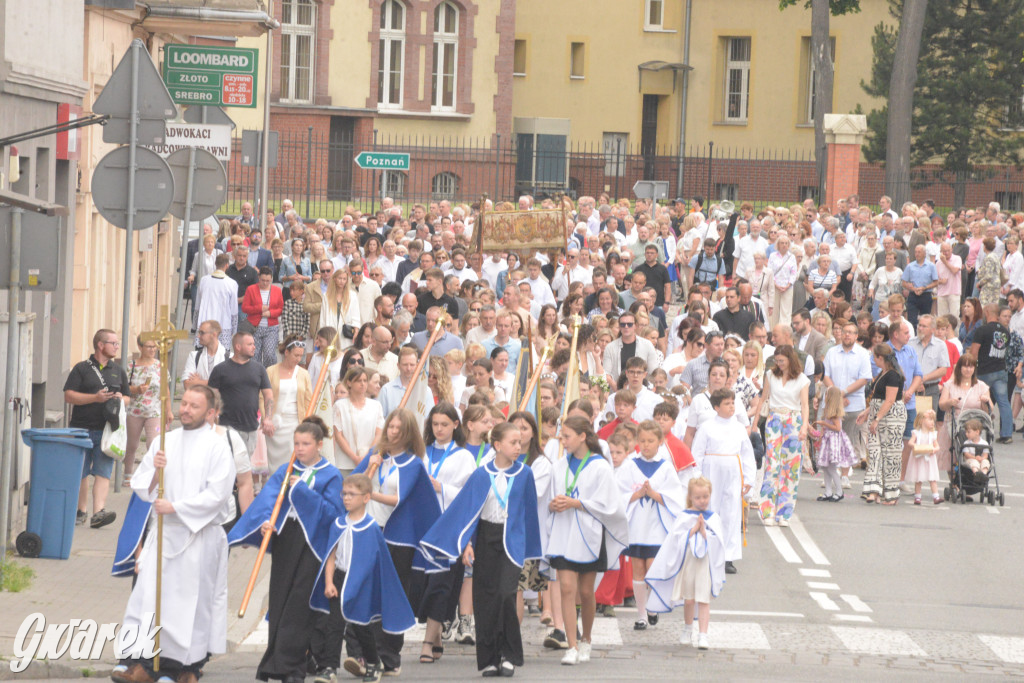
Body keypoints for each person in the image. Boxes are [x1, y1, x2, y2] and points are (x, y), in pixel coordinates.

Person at [109, 386, 236, 683]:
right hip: (163, 535)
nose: (187, 410)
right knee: (149, 599)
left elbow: (217, 495)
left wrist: (176, 507)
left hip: (197, 537)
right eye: (185, 403)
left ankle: (182, 668)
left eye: (195, 406)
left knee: (187, 606)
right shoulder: (167, 441)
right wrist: (156, 470)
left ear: (209, 412)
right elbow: (142, 485)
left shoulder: (217, 447)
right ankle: (145, 663)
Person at [419, 421, 543, 678]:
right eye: (513, 442)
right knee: (484, 598)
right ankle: (489, 658)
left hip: (512, 540)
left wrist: (531, 549)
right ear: (497, 445)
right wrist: (467, 544)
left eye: (520, 442)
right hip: (485, 538)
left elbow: (530, 512)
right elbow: (467, 512)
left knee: (506, 595)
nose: (518, 447)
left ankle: (509, 655)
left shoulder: (524, 474)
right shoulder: (480, 473)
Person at [228, 418, 344, 683]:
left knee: (299, 604)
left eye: (305, 444)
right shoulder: (285, 470)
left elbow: (332, 514)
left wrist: (302, 490)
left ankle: (292, 668)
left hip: (312, 543)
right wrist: (267, 521)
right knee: (280, 600)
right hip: (287, 538)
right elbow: (270, 502)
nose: (300, 449)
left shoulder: (331, 474)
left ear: (319, 445)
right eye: (296, 443)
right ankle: (274, 663)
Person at [350, 409, 442, 675]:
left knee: (391, 594)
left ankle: (389, 655)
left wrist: (370, 494)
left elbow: (398, 499)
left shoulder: (413, 463)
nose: (392, 432)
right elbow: (352, 487)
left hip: (397, 538)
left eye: (398, 428)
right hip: (368, 530)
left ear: (408, 433)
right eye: (390, 426)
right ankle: (360, 653)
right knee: (361, 588)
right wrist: (369, 467)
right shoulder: (375, 456)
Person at [309, 474, 415, 683]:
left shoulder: (371, 527)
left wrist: (357, 586)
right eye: (344, 494)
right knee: (334, 624)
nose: (346, 498)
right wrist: (329, 582)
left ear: (366, 498)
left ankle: (374, 663)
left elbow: (372, 563)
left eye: (352, 494)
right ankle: (329, 667)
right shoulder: (338, 524)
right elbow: (331, 554)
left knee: (360, 625)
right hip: (339, 577)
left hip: (361, 583)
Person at [547, 416, 629, 666]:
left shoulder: (600, 467)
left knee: (585, 591)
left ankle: (587, 638)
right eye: (562, 436)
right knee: (567, 588)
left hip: (589, 534)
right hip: (563, 533)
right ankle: (571, 645)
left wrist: (577, 503)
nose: (563, 441)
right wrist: (553, 505)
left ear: (583, 436)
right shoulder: (560, 465)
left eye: (567, 436)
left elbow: (609, 505)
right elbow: (551, 498)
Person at [616, 420, 685, 631]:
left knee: (652, 567)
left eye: (651, 441)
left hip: (656, 526)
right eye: (642, 440)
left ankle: (653, 606)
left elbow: (676, 497)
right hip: (637, 525)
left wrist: (655, 494)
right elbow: (617, 492)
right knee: (637, 569)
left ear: (660, 442)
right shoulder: (629, 464)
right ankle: (641, 614)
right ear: (637, 441)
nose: (646, 445)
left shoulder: (665, 467)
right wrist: (635, 495)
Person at [644, 477, 725, 651]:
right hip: (688, 564)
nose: (702, 501)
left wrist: (705, 533)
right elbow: (675, 540)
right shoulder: (684, 516)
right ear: (690, 497)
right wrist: (693, 530)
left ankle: (703, 634)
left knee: (704, 600)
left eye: (705, 496)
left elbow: (719, 544)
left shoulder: (714, 518)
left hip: (705, 567)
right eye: (698, 497)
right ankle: (688, 628)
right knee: (689, 600)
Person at [63, 329, 129, 529]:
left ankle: (98, 512)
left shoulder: (118, 370)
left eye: (117, 343)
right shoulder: (81, 368)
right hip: (82, 428)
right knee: (81, 472)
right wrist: (95, 398)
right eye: (114, 343)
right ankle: (81, 510)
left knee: (103, 472)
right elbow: (69, 396)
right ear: (100, 345)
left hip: (108, 430)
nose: (117, 347)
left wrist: (121, 399)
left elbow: (127, 397)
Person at [757, 345, 810, 527]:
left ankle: (784, 513)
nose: (778, 364)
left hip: (793, 420)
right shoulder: (771, 375)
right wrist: (756, 422)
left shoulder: (802, 379)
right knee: (772, 464)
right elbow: (764, 398)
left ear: (790, 359)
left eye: (782, 361)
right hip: (774, 419)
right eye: (776, 360)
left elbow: (805, 405)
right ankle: (767, 510)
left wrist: (804, 426)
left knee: (791, 467)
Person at [857, 344, 908, 505]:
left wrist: (877, 418)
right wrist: (867, 412)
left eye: (875, 357)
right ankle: (874, 490)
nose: (873, 360)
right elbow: (877, 397)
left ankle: (891, 494)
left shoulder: (893, 375)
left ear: (881, 357)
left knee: (891, 455)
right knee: (874, 453)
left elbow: (890, 399)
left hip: (891, 417)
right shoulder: (882, 373)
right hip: (878, 414)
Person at [208, 332, 273, 455]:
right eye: (250, 344)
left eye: (254, 344)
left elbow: (268, 394)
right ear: (238, 347)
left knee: (244, 467)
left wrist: (268, 418)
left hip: (250, 428)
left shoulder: (259, 369)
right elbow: (211, 397)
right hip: (226, 426)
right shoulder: (220, 369)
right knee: (227, 465)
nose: (254, 347)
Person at [264, 336, 314, 471]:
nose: (298, 359)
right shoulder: (271, 371)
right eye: (295, 355)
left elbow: (309, 400)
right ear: (286, 352)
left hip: (295, 421)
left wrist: (308, 422)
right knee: (272, 460)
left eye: (301, 356)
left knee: (293, 456)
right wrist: (265, 419)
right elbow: (262, 397)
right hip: (275, 421)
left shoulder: (304, 374)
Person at [124, 336, 166, 485]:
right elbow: (124, 388)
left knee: (152, 443)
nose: (152, 350)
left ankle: (152, 476)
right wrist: (136, 389)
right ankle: (128, 474)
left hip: (154, 411)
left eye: (154, 347)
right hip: (135, 411)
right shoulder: (132, 366)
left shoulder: (160, 365)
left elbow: (164, 389)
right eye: (149, 346)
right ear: (140, 347)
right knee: (132, 444)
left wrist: (168, 411)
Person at [970, 303, 1013, 443]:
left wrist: (971, 369)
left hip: (984, 371)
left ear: (987, 312)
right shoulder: (1005, 332)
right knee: (1004, 402)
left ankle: (979, 431)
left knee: (980, 399)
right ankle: (1007, 434)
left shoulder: (982, 330)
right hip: (1000, 369)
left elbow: (974, 352)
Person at [811, 386, 857, 502]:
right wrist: (821, 435)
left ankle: (839, 491)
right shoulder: (827, 409)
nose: (825, 397)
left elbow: (838, 427)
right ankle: (828, 491)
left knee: (831, 468)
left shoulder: (834, 412)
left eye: (826, 395)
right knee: (826, 468)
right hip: (827, 439)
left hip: (833, 441)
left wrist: (824, 424)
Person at [196, 253, 240, 350]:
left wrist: (195, 323)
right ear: (227, 265)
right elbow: (234, 309)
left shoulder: (204, 280)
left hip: (204, 320)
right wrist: (233, 328)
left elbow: (198, 304)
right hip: (223, 323)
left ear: (215, 263)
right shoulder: (232, 283)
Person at [243, 266, 285, 367]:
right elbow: (245, 308)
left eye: (268, 281)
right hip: (254, 327)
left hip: (271, 327)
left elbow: (281, 309)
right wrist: (259, 308)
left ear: (271, 279)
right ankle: (255, 377)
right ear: (259, 278)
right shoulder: (251, 289)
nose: (265, 283)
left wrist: (270, 313)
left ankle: (268, 375)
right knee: (254, 355)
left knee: (269, 355)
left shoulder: (277, 290)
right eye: (263, 280)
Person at [905, 409, 942, 505]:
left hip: (929, 458)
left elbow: (937, 446)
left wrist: (934, 449)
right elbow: (910, 442)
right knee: (919, 478)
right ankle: (917, 497)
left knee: (932, 478)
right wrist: (916, 446)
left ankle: (936, 496)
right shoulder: (916, 433)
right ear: (921, 421)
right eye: (930, 420)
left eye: (933, 420)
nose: (932, 422)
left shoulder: (933, 434)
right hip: (920, 457)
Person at [181, 320, 227, 389]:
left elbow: (229, 387)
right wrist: (217, 383)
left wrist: (198, 381)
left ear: (214, 334)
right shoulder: (194, 356)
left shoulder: (229, 357)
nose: (198, 336)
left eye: (202, 333)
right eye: (199, 332)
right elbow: (187, 385)